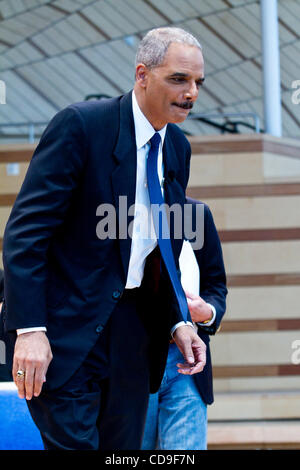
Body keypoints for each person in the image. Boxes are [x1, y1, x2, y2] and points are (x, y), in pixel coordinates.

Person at [1, 27, 207, 450]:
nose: (191, 93)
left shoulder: (178, 149)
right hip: (65, 334)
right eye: (179, 79)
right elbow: (26, 233)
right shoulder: (81, 126)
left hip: (133, 338)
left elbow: (161, 249)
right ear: (142, 74)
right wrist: (29, 329)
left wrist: (177, 320)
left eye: (197, 83)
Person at [142, 198, 227, 450]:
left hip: (188, 364)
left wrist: (208, 311)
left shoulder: (196, 214)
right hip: (135, 360)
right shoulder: (120, 214)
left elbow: (216, 286)